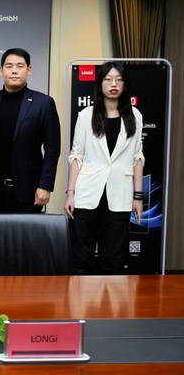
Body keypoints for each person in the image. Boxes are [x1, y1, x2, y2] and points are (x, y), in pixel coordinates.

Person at [65, 61, 144, 274]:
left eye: (119, 79)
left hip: (120, 194)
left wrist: (138, 196)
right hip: (87, 194)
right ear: (100, 84)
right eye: (108, 79)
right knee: (81, 257)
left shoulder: (135, 116)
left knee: (114, 259)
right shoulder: (86, 115)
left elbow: (137, 157)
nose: (113, 84)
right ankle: (80, 297)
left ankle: (111, 297)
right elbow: (76, 156)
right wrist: (70, 193)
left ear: (125, 84)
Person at [0, 48, 60, 213]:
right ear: (1, 70)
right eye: (9, 66)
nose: (14, 71)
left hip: (29, 191)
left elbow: (52, 149)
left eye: (20, 66)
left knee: (27, 232)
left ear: (29, 70)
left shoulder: (44, 103)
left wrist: (45, 185)